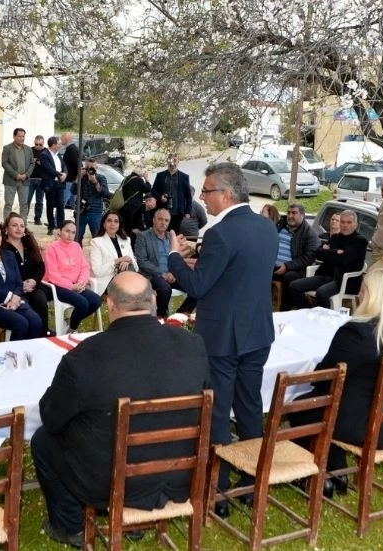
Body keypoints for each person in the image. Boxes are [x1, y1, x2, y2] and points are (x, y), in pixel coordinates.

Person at [31, 272, 211, 546]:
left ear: (110, 305)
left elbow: (52, 418)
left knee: (43, 441)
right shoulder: (193, 344)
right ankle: (134, 518)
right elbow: (207, 403)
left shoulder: (85, 356)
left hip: (113, 481)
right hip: (181, 473)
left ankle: (69, 525)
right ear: (153, 300)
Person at [165, 162, 277, 510]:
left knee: (218, 409)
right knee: (250, 405)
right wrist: (199, 258)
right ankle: (252, 477)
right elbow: (238, 272)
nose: (202, 197)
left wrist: (174, 257)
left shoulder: (220, 233)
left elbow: (198, 285)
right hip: (257, 331)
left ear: (226, 194)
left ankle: (219, 485)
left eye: (207, 190)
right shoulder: (266, 227)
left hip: (223, 337)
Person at [288, 269, 383, 496]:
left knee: (302, 406)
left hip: (369, 427)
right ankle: (335, 473)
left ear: (372, 296)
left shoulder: (359, 333)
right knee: (329, 403)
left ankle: (320, 475)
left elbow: (326, 377)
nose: (359, 295)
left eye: (363, 290)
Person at [0, 221, 44, 340]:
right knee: (21, 323)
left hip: (14, 301)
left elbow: (18, 282)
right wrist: (9, 296)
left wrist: (15, 298)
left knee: (36, 321)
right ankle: (12, 352)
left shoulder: (9, 255)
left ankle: (28, 351)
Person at [288, 209, 368, 309]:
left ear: (355, 225)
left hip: (344, 280)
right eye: (343, 222)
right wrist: (335, 252)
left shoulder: (360, 241)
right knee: (294, 286)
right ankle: (309, 311)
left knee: (322, 292)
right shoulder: (335, 237)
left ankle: (326, 317)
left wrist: (329, 253)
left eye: (349, 222)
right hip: (326, 275)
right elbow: (318, 253)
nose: (345, 225)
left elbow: (344, 260)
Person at [43, 220, 102, 332]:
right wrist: (71, 286)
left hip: (76, 285)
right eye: (67, 231)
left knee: (96, 301)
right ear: (60, 231)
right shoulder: (52, 248)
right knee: (82, 303)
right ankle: (72, 330)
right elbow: (53, 274)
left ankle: (71, 322)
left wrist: (81, 282)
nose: (70, 235)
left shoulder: (76, 246)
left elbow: (84, 267)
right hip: (56, 286)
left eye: (73, 232)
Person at [135, 208, 194, 318]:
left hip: (171, 274)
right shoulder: (143, 237)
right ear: (154, 220)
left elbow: (176, 258)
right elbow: (142, 261)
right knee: (165, 289)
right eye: (160, 219)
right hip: (153, 275)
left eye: (166, 220)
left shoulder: (170, 237)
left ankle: (179, 316)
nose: (163, 222)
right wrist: (162, 274)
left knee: (194, 286)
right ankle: (161, 317)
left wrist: (173, 272)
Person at [2, 213, 52, 334]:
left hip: (33, 285)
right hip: (14, 289)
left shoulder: (29, 244)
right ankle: (29, 337)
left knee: (40, 300)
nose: (19, 228)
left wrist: (34, 281)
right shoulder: (2, 248)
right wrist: (21, 285)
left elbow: (40, 266)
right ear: (6, 228)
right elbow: (4, 272)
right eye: (14, 225)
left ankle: (42, 335)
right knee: (26, 308)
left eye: (22, 226)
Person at [272, 203, 321, 310]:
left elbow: (309, 257)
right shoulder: (280, 226)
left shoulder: (309, 234)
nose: (290, 216)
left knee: (290, 277)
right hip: (272, 266)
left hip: (295, 269)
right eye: (288, 212)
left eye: (294, 213)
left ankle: (285, 309)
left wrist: (287, 266)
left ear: (302, 215)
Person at [89, 210, 137, 295]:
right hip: (107, 281)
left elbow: (136, 267)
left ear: (119, 225)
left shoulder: (126, 240)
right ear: (104, 224)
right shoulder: (96, 242)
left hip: (127, 277)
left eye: (116, 221)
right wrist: (118, 261)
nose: (112, 224)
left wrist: (128, 261)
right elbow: (97, 271)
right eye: (109, 221)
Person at [153, 154, 193, 234]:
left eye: (175, 161)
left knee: (174, 234)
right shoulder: (160, 175)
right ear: (167, 162)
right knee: (161, 233)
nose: (172, 164)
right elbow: (153, 191)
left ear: (178, 162)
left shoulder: (184, 177)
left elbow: (188, 196)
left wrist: (188, 211)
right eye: (170, 161)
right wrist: (160, 197)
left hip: (177, 212)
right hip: (162, 211)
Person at [74, 158, 112, 243]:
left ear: (96, 168)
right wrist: (78, 177)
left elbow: (105, 193)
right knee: (77, 237)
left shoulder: (101, 178)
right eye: (88, 168)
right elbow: (73, 191)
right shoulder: (81, 178)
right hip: (81, 211)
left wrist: (95, 182)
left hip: (95, 211)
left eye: (92, 168)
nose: (90, 170)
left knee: (97, 238)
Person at [0, 128, 35, 220]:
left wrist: (26, 175)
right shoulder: (7, 148)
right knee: (8, 204)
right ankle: (7, 224)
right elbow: (4, 163)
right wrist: (16, 175)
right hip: (10, 180)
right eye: (19, 136)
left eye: (23, 136)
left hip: (24, 181)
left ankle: (23, 224)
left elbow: (32, 163)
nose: (21, 138)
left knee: (24, 204)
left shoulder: (28, 149)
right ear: (14, 136)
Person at [40, 136, 68, 236]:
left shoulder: (58, 154)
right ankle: (51, 226)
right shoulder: (44, 155)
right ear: (53, 145)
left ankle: (61, 226)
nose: (60, 145)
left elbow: (63, 165)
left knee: (61, 205)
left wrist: (65, 174)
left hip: (60, 183)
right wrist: (60, 175)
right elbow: (48, 168)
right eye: (59, 144)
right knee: (50, 205)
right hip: (50, 184)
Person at [118, 171, 153, 235]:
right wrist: (146, 179)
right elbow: (148, 189)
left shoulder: (126, 178)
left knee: (125, 227)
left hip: (124, 206)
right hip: (134, 208)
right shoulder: (138, 180)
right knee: (133, 228)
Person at [27, 135, 48, 225]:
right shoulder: (30, 150)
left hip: (41, 180)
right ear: (34, 143)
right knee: (27, 200)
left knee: (39, 201)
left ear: (43, 143)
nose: (38, 146)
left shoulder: (47, 152)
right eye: (36, 144)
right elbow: (25, 162)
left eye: (40, 144)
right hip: (30, 179)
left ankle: (37, 218)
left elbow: (49, 165)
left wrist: (42, 163)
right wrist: (32, 161)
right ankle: (24, 217)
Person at [60, 132, 81, 209]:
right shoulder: (72, 148)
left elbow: (77, 164)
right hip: (72, 180)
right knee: (73, 205)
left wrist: (77, 178)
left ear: (66, 139)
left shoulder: (71, 149)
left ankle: (57, 217)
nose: (61, 140)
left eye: (62, 138)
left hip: (70, 181)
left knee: (62, 202)